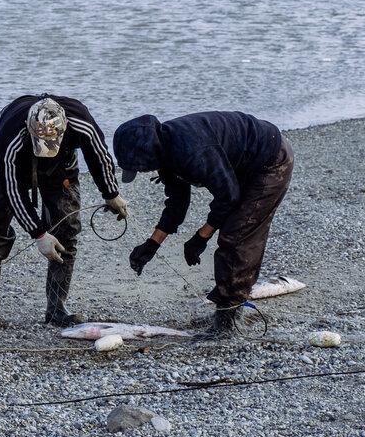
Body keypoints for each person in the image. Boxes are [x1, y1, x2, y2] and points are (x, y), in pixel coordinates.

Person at [113, 111, 294, 339]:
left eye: (141, 166)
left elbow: (228, 197)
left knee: (236, 236)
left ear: (149, 153)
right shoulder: (165, 149)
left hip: (270, 161)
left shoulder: (193, 150)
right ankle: (227, 309)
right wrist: (151, 245)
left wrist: (201, 237)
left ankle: (228, 320)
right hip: (241, 164)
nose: (142, 171)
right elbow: (177, 203)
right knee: (231, 229)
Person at [0, 94, 128, 328]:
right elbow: (12, 189)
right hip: (12, 158)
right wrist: (39, 234)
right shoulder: (11, 136)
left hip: (62, 161)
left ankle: (56, 308)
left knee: (67, 229)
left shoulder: (81, 124)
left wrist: (111, 193)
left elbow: (100, 157)